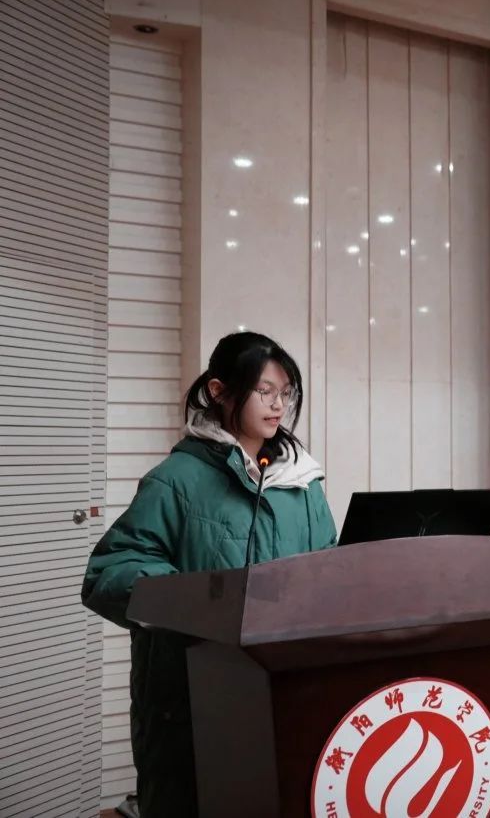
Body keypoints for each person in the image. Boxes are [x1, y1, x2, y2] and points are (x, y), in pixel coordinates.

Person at [82, 331, 338, 816]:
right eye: (264, 391)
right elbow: (110, 571)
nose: (278, 405)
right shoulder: (177, 480)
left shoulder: (302, 483)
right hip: (191, 697)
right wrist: (197, 599)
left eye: (285, 393)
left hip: (284, 689)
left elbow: (329, 565)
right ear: (219, 391)